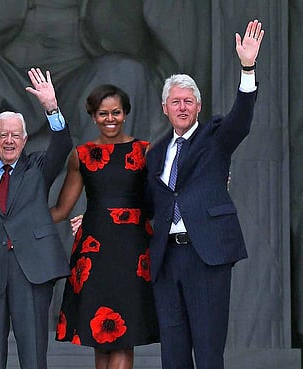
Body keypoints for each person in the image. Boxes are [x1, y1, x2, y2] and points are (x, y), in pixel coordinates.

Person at [145, 19, 265, 369]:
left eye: (188, 101)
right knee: (174, 355)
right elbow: (146, 203)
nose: (182, 107)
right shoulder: (155, 154)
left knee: (209, 352)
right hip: (166, 260)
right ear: (165, 108)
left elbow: (242, 118)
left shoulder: (216, 136)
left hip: (206, 255)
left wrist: (247, 67)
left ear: (198, 107)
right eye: (175, 101)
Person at [0, 67, 72, 369]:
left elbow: (62, 147)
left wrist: (51, 108)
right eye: (3, 135)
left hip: (31, 271)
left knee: (33, 355)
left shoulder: (38, 168)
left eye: (16, 135)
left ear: (24, 140)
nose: (10, 140)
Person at [50, 84, 159, 369]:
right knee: (102, 335)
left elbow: (160, 200)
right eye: (103, 113)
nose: (110, 119)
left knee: (125, 335)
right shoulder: (82, 155)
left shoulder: (145, 151)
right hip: (95, 250)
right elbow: (61, 210)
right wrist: (18, 218)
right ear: (93, 116)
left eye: (116, 112)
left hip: (133, 251)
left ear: (126, 114)